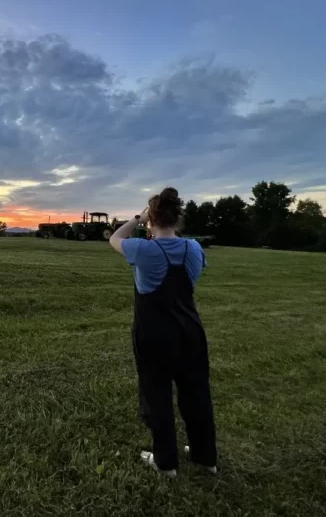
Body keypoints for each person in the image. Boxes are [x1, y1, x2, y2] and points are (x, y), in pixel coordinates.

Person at [109, 187, 217, 477]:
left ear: (151, 219)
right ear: (177, 218)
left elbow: (115, 238)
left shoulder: (143, 249)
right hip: (191, 334)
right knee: (197, 395)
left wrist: (137, 218)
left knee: (156, 395)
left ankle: (165, 461)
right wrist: (157, 224)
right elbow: (185, 258)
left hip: (153, 335)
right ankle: (205, 457)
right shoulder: (193, 248)